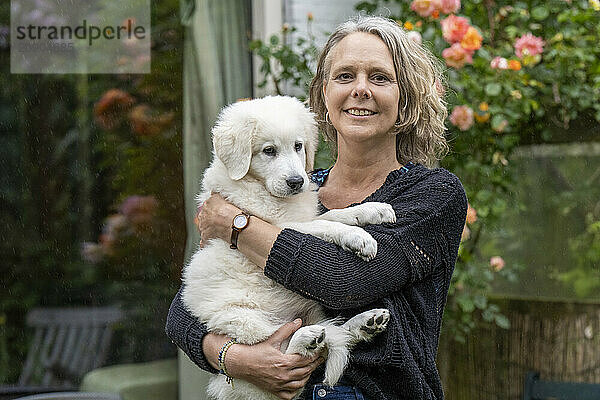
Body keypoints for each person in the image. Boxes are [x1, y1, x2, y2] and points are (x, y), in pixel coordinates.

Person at [166, 15, 467, 400]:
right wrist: (238, 359)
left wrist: (236, 224)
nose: (360, 89)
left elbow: (344, 283)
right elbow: (183, 312)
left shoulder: (432, 194)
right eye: (344, 76)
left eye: (379, 77)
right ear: (324, 94)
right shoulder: (288, 189)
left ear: (405, 97)